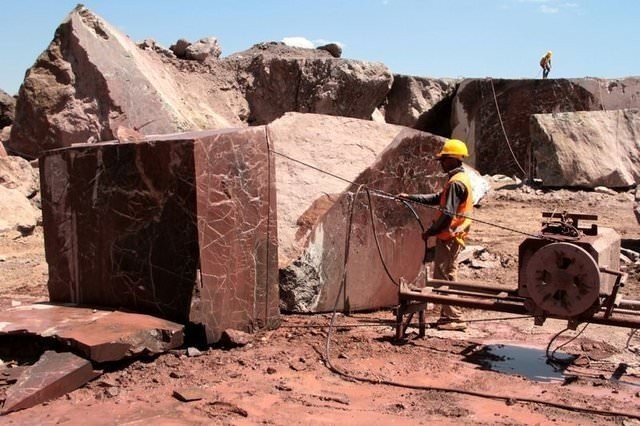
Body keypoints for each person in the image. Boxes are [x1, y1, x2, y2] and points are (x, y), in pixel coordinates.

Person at [397, 139, 474, 331]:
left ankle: (454, 318)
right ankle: (448, 316)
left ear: (454, 159)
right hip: (452, 235)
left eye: (444, 159)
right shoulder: (458, 180)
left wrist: (431, 232)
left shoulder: (456, 183)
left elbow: (447, 213)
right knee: (446, 275)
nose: (441, 162)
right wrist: (410, 197)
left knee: (445, 277)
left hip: (450, 236)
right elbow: (437, 199)